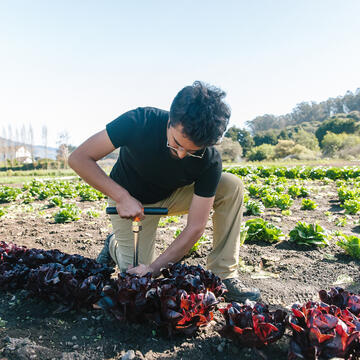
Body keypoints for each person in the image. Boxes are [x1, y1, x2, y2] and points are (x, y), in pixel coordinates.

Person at [68, 81, 260, 302]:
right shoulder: (139, 121)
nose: (180, 154)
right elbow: (79, 158)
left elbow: (195, 226)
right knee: (133, 276)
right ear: (170, 121)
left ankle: (223, 274)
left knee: (231, 185)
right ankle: (113, 245)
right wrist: (121, 197)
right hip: (129, 201)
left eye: (192, 151)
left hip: (172, 195)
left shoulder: (209, 160)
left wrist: (154, 269)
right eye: (176, 143)